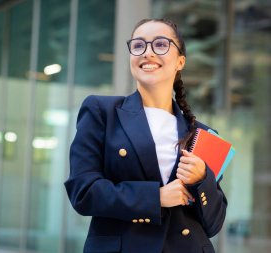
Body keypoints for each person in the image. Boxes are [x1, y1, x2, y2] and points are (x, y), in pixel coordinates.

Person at [64, 18, 227, 253]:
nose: (148, 53)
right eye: (139, 46)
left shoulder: (205, 136)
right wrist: (155, 197)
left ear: (180, 61)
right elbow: (83, 191)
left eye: (160, 45)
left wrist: (202, 179)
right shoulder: (101, 111)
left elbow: (214, 224)